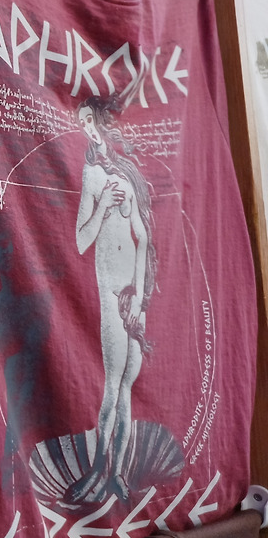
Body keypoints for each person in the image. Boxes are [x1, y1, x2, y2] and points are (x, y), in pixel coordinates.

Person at [64, 95, 158, 503]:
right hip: (109, 298)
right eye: (81, 122)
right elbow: (81, 241)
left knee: (127, 388)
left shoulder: (125, 173)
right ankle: (98, 470)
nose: (86, 128)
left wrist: (139, 296)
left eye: (90, 120)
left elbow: (142, 238)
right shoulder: (92, 176)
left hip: (132, 299)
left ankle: (115, 473)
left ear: (103, 122)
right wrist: (103, 205)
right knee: (112, 389)